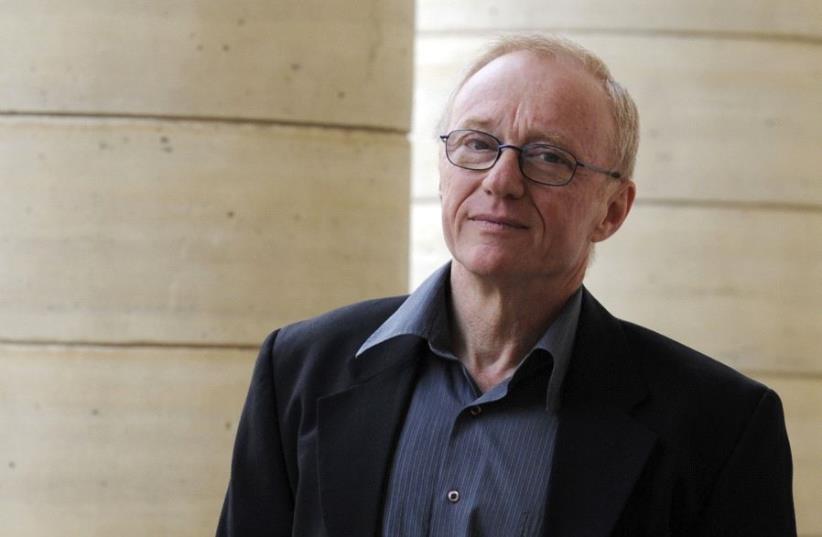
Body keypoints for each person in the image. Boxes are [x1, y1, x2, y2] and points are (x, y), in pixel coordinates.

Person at [217, 34, 796, 537]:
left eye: (548, 158)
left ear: (612, 211)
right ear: (442, 170)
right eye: (477, 144)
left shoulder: (720, 426)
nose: (501, 181)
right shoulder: (298, 370)